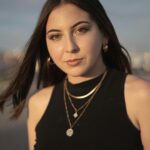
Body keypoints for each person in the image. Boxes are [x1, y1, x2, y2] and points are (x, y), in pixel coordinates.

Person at [0, 0, 150, 149]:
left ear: (104, 34)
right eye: (55, 36)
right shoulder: (38, 104)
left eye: (81, 30)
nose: (70, 47)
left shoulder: (141, 96)